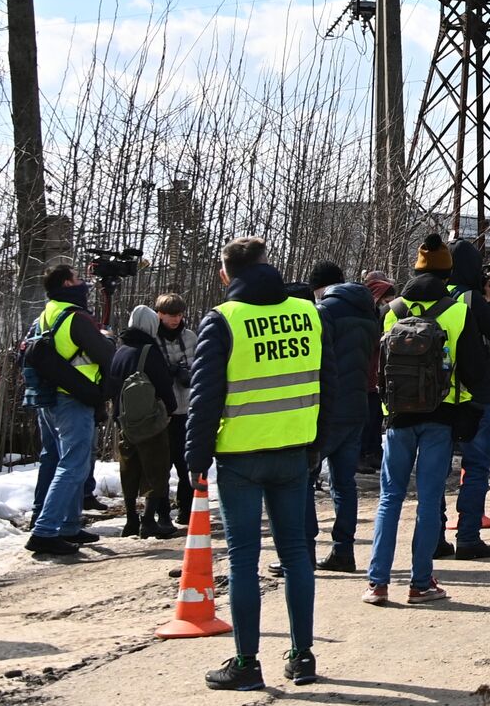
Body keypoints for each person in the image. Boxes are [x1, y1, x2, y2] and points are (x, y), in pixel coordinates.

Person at [185, 237, 323, 690]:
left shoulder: (222, 320)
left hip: (240, 458)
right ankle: (302, 657)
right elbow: (331, 383)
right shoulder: (307, 313)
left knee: (244, 560)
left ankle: (246, 663)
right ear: (268, 266)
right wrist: (317, 445)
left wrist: (196, 456)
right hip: (293, 453)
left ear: (226, 274)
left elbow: (205, 397)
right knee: (296, 555)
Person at [363, 234, 488, 606]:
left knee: (389, 499)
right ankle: (420, 583)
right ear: (447, 271)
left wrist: (386, 411)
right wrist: (470, 411)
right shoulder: (457, 310)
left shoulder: (393, 309)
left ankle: (378, 582)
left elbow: (383, 368)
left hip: (397, 418)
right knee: (429, 499)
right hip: (440, 417)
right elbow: (474, 371)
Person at [27, 264, 115, 557]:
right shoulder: (76, 317)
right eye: (78, 279)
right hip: (74, 399)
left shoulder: (46, 314)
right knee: (74, 465)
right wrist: (107, 339)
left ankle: (68, 525)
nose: (84, 284)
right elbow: (106, 356)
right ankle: (46, 531)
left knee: (54, 459)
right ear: (67, 283)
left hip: (49, 398)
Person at [307, 262, 379, 572]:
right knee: (344, 484)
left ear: (319, 288)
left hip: (326, 409)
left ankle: (302, 552)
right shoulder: (368, 310)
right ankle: (343, 550)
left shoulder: (324, 311)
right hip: (358, 405)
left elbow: (318, 361)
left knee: (304, 481)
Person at [444, 239, 490, 560]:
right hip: (473, 395)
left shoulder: (428, 294)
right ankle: (468, 537)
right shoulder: (471, 298)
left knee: (436, 471)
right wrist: (488, 299)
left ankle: (433, 536)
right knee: (476, 466)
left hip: (435, 397)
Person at [107, 305, 179, 538]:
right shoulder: (150, 351)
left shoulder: (120, 351)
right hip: (150, 422)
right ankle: (148, 520)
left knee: (129, 470)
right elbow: (164, 384)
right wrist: (170, 409)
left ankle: (130, 519)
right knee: (156, 470)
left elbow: (111, 385)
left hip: (124, 421)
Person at [154, 293, 197, 526]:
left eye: (179, 315)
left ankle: (186, 509)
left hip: (187, 408)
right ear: (159, 314)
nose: (175, 320)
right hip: (162, 411)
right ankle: (162, 513)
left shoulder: (190, 337)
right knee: (162, 464)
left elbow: (201, 366)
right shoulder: (152, 338)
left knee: (186, 464)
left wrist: (186, 373)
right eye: (171, 315)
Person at [360, 272, 397, 474]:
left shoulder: (379, 314)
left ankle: (374, 451)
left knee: (375, 418)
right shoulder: (367, 315)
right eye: (386, 299)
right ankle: (362, 453)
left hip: (377, 375)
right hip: (366, 374)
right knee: (366, 419)